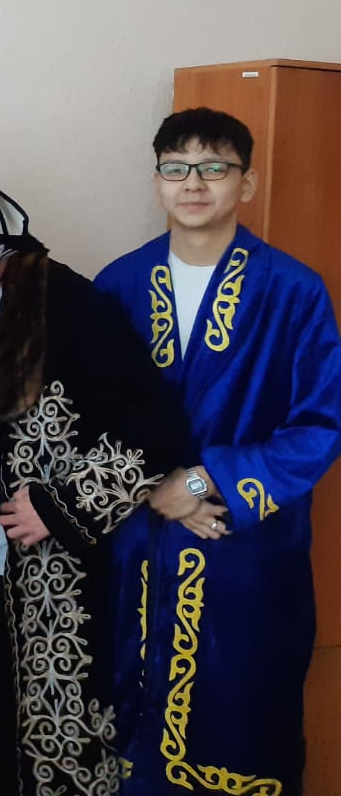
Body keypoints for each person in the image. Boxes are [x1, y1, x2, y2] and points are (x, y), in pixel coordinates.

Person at [0, 143, 182, 796]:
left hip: (49, 566)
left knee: (40, 736)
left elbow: (156, 428)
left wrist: (61, 506)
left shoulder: (72, 305)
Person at [95, 108, 341, 794]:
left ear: (246, 182)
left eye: (213, 167)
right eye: (176, 168)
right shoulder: (117, 285)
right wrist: (154, 486)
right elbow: (89, 415)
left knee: (242, 719)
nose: (193, 183)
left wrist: (207, 481)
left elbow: (320, 425)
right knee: (133, 716)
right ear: (156, 182)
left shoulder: (293, 291)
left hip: (243, 550)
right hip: (141, 544)